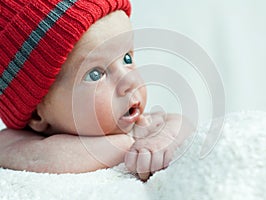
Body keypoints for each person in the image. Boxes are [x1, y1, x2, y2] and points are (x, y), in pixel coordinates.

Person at [0, 0, 194, 181]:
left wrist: (161, 140)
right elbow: (45, 158)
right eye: (95, 74)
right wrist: (128, 143)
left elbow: (180, 123)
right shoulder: (16, 143)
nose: (129, 81)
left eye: (127, 59)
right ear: (37, 115)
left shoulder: (137, 123)